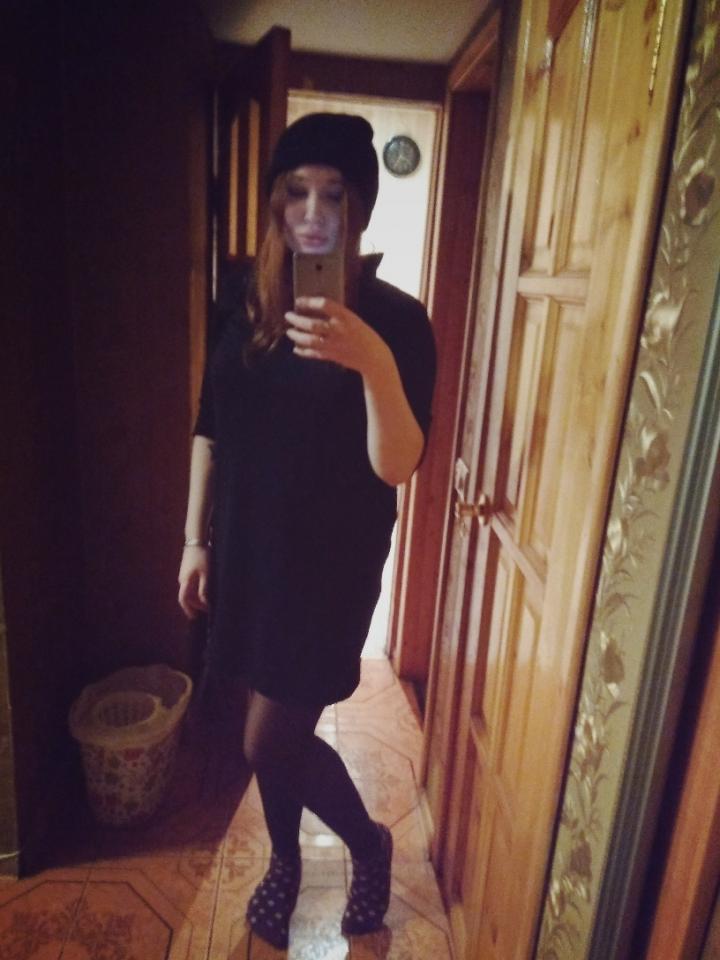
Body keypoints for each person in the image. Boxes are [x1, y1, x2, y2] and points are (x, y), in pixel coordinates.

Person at [177, 112, 436, 949]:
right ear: (276, 204)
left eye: (334, 194)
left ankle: (368, 843)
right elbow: (210, 424)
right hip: (247, 552)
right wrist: (194, 540)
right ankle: (285, 861)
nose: (315, 212)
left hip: (329, 567)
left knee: (268, 738)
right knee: (272, 733)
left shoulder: (397, 320)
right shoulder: (242, 299)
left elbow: (398, 464)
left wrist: (372, 364)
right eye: (297, 192)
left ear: (358, 208)